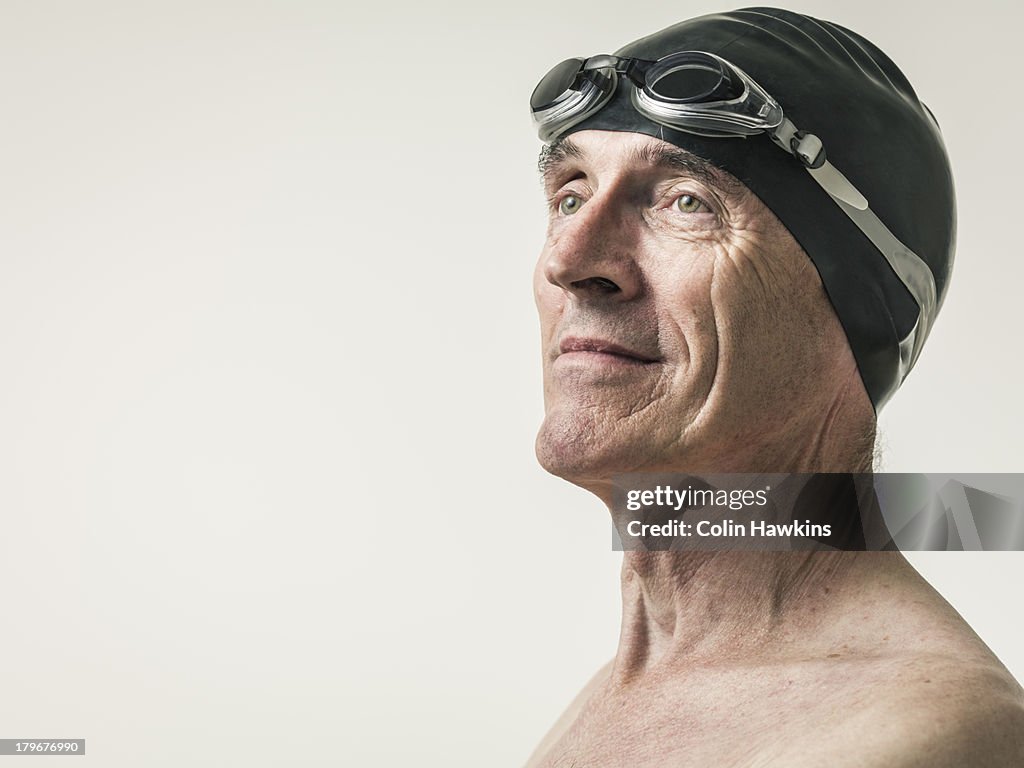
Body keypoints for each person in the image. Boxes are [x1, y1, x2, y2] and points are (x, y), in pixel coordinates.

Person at [525, 7, 1024, 766]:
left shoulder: (915, 738)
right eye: (570, 192)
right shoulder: (627, 694)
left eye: (685, 201)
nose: (571, 258)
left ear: (853, 302)